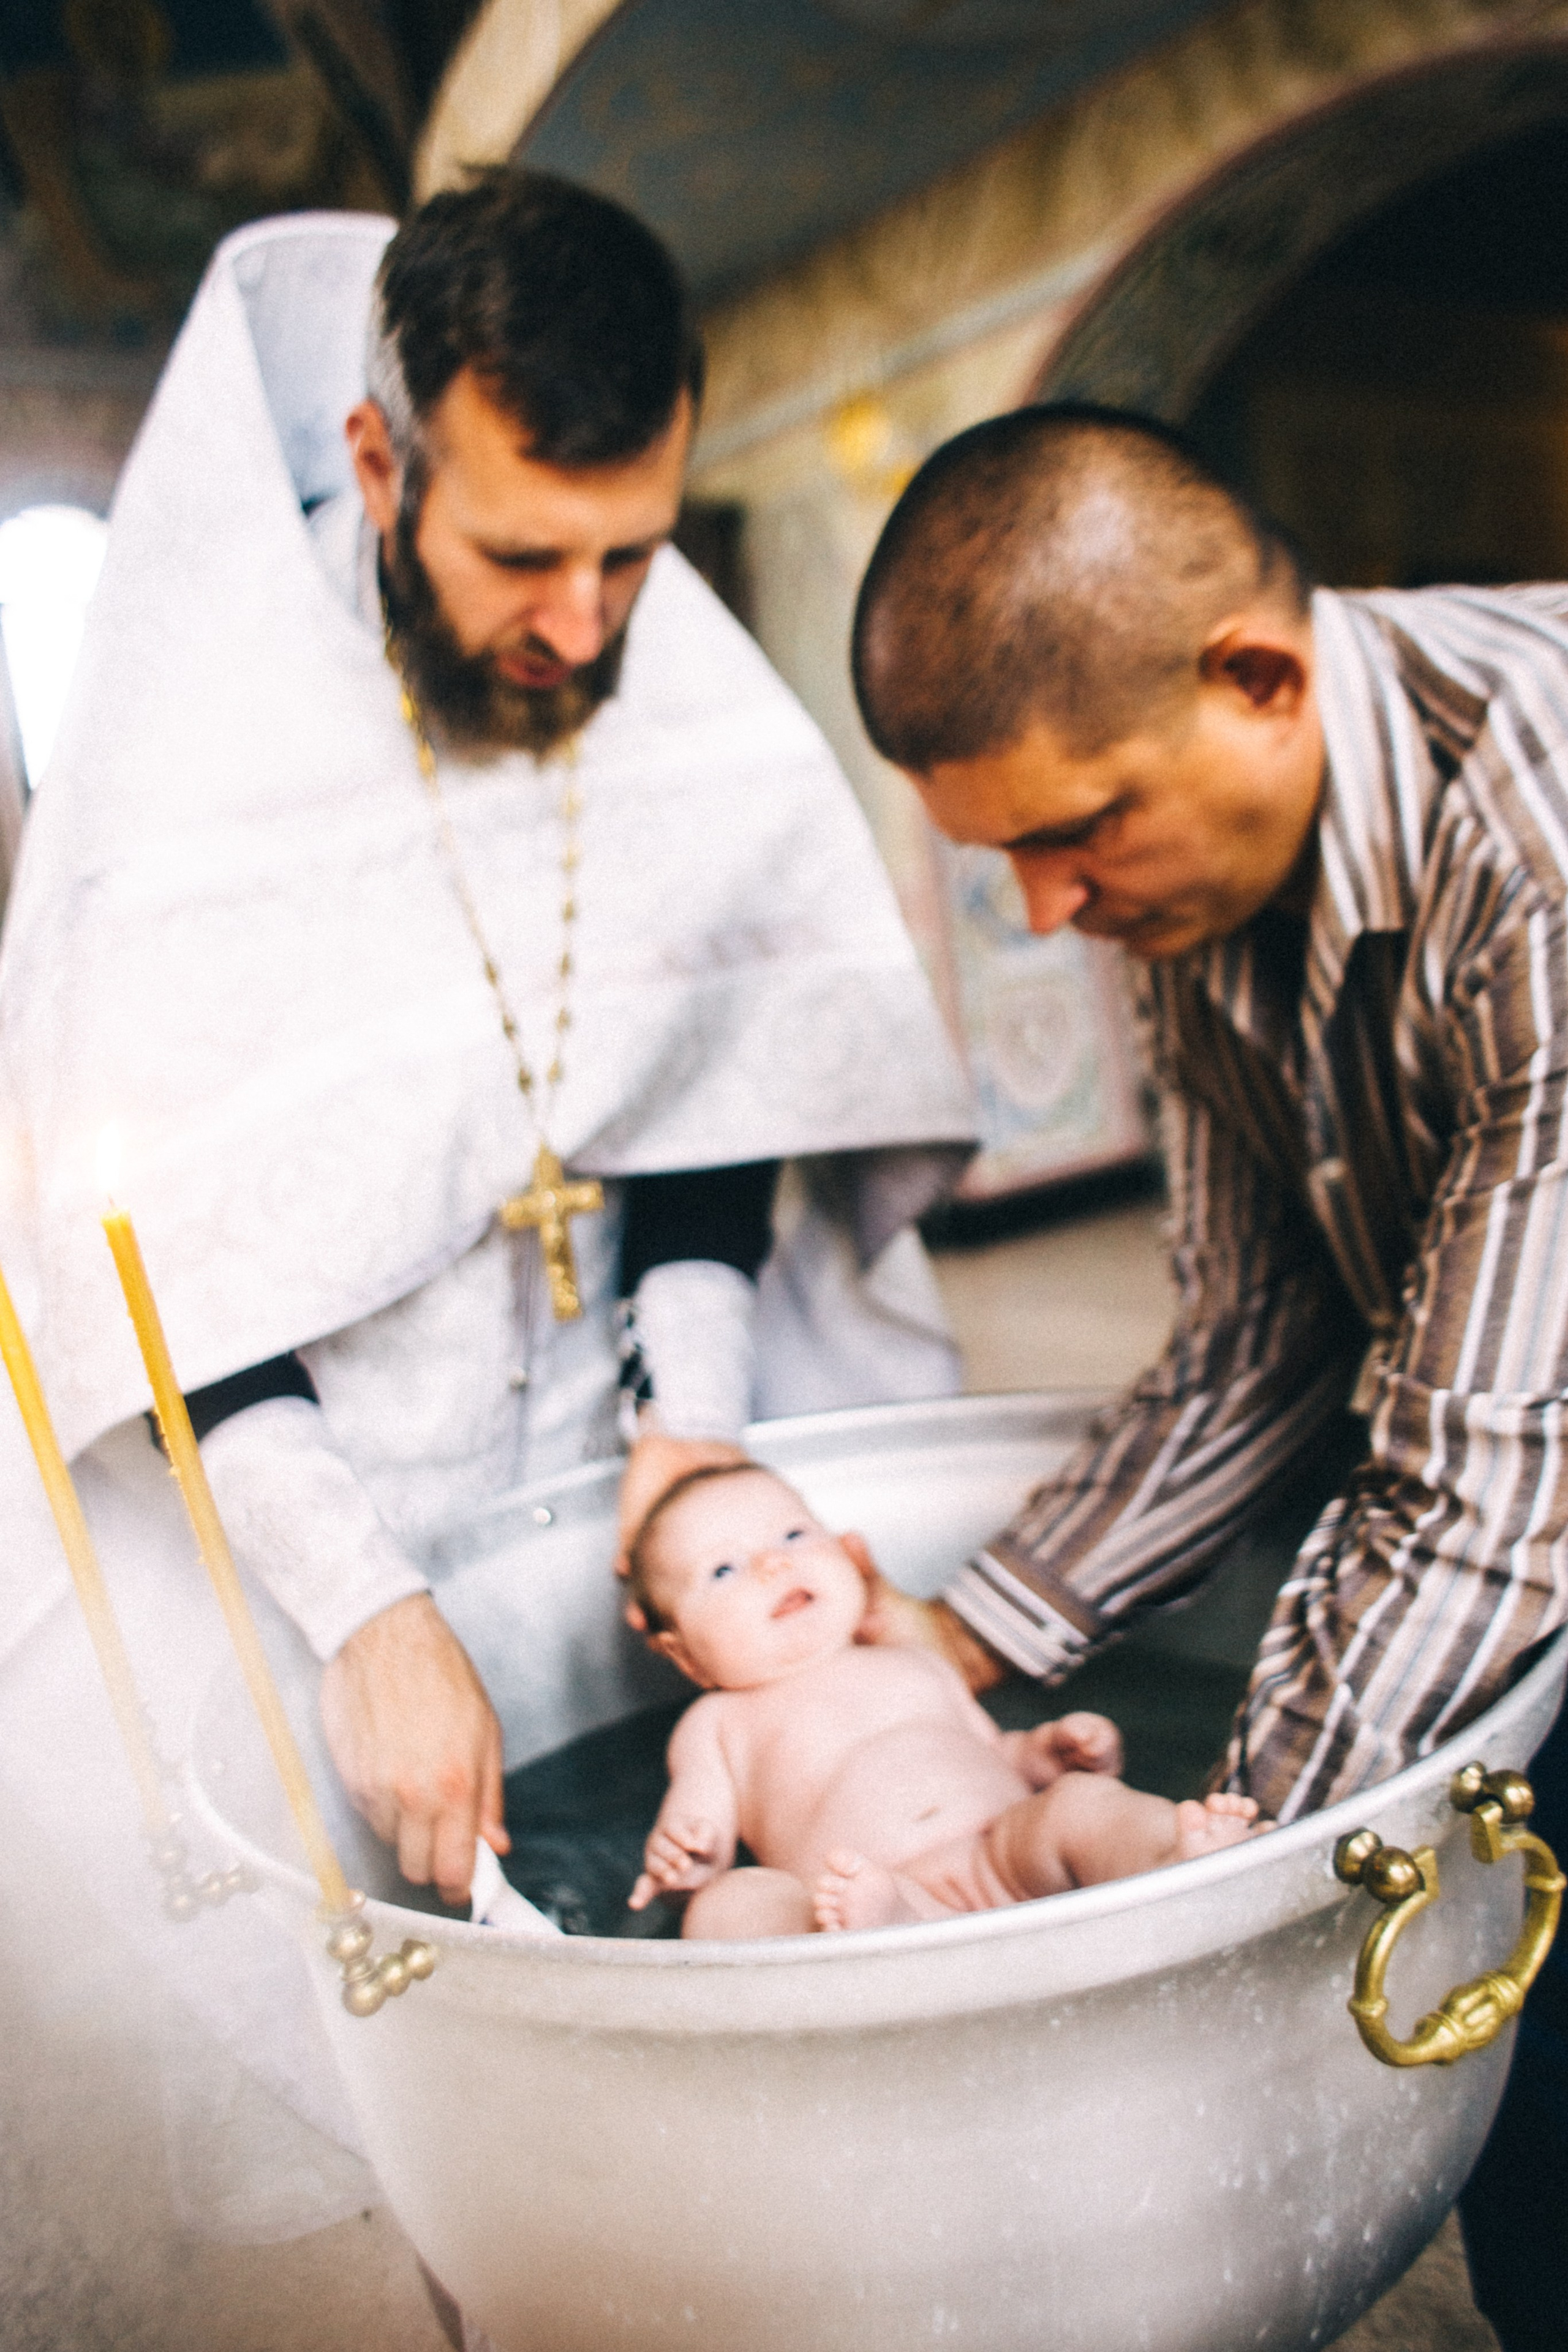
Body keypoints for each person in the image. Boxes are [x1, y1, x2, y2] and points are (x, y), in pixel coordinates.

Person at [0, 172, 971, 2232]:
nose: (586, 627)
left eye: (633, 552)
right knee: (387, 2096)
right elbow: (138, 1241)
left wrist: (691, 1422)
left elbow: (727, 1070)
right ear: (379, 464)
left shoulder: (657, 675)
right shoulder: (200, 757)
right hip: (308, 1490)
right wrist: (364, 1607)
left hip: (626, 1440)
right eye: (523, 556)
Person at [848, 402, 1568, 2352]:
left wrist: (1180, 1885)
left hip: (1525, 1479)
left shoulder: (1541, 824)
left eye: (1074, 831)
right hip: (1517, 1480)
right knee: (1521, 2070)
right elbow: (1262, 1335)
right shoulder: (1203, 886)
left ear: (1256, 677)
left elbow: (1488, 1486)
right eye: (1004, 858)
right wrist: (953, 1642)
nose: (1044, 912)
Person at [624, 1461, 1261, 1938]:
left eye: (793, 1535)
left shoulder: (915, 1662)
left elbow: (994, 1752)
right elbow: (700, 1833)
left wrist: (1050, 1754)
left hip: (1003, 1859)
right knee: (729, 1904)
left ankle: (1171, 1856)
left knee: (1077, 1803)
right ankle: (889, 1932)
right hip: (848, 1906)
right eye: (724, 1570)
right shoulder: (716, 1724)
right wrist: (688, 1865)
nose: (773, 1565)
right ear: (684, 1656)